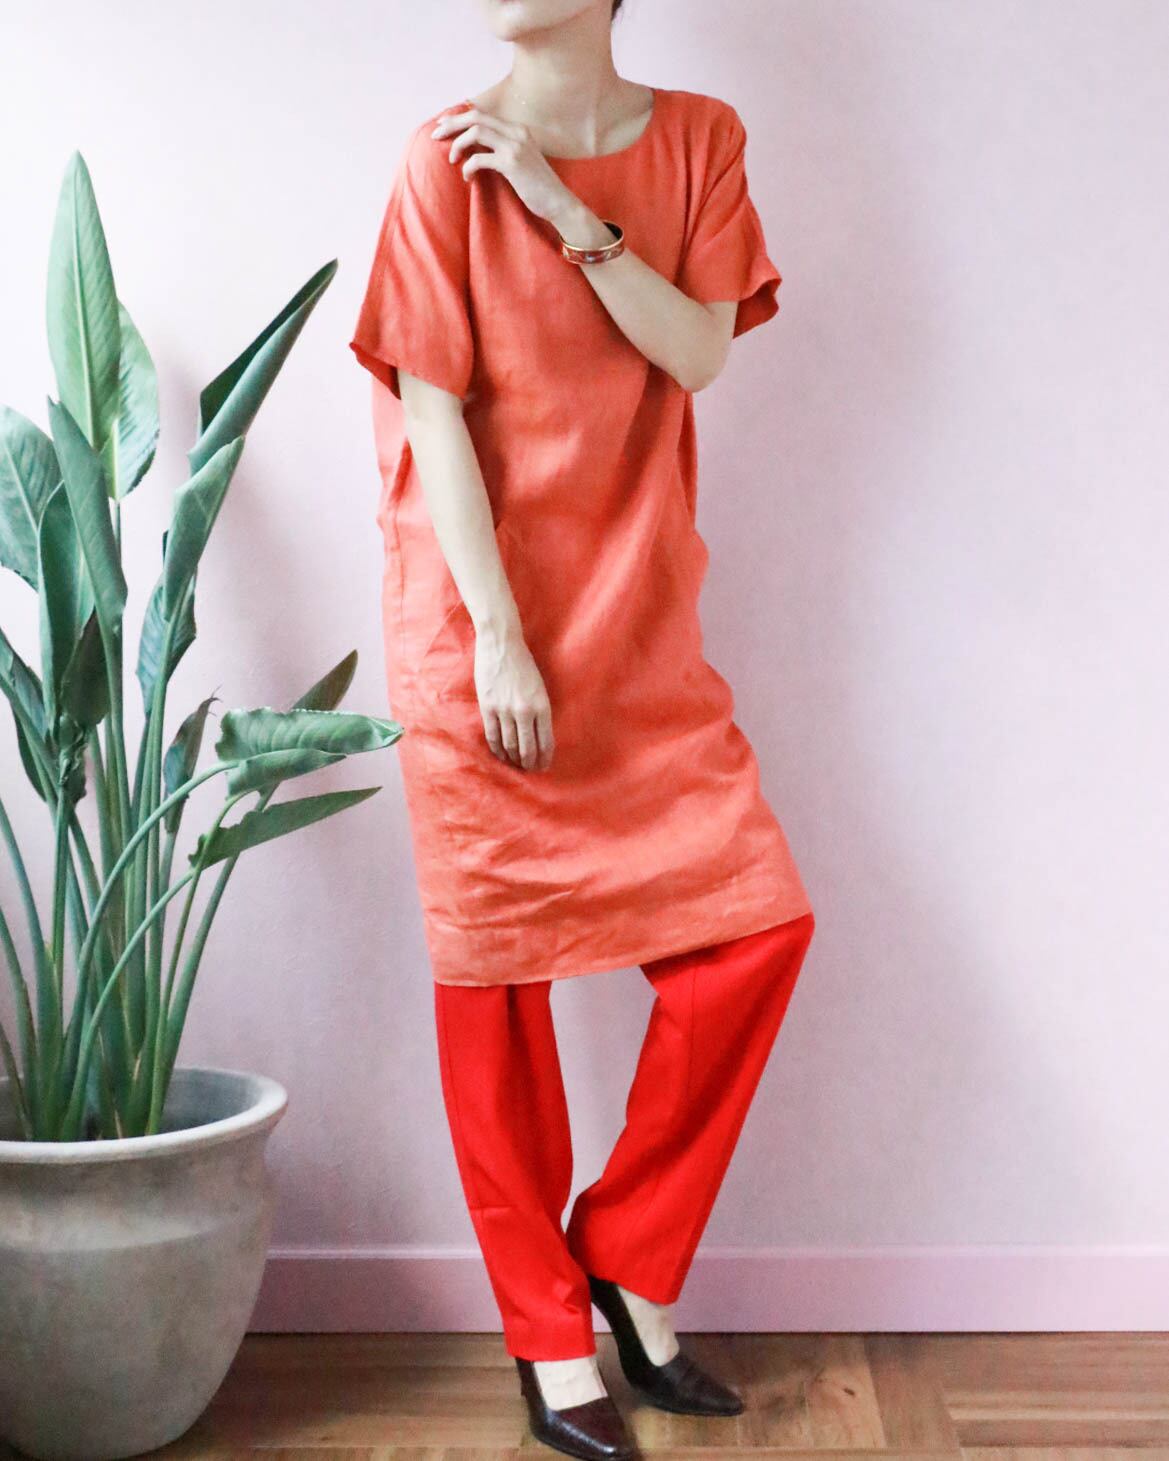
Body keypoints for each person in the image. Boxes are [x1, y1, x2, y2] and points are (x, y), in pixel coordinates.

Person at [349, 1, 816, 1455]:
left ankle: (623, 1254)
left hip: (636, 625)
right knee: (498, 995)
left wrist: (562, 208)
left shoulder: (699, 142)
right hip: (481, 624)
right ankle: (550, 1338)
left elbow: (699, 353)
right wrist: (495, 635)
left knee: (756, 934)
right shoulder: (440, 160)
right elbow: (431, 410)